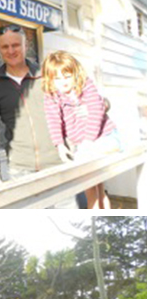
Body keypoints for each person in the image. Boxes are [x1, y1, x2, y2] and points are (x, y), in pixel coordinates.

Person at [0, 25, 76, 207]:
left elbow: (70, 108)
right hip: (19, 170)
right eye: (5, 47)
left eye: (16, 45)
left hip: (58, 164)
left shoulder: (47, 76)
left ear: (26, 45)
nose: (11, 51)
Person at [42, 51, 120, 209]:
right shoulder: (51, 95)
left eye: (67, 76)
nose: (63, 82)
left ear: (75, 73)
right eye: (57, 78)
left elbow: (96, 111)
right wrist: (60, 145)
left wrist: (88, 141)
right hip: (81, 146)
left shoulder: (86, 85)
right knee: (92, 189)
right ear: (50, 79)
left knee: (94, 182)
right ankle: (96, 216)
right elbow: (53, 119)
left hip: (103, 138)